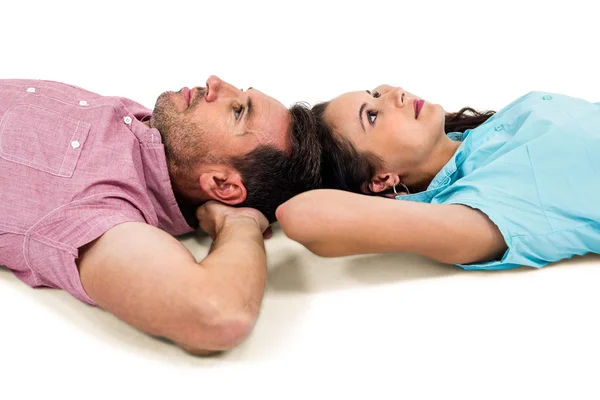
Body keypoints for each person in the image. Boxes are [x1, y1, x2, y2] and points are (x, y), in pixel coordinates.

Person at [0, 76, 321, 354]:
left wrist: (240, 224)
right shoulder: (153, 126)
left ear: (222, 185)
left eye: (237, 111)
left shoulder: (104, 208)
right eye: (239, 91)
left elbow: (218, 315)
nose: (214, 82)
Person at [277, 85, 600, 270]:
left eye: (374, 92)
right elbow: (303, 216)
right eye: (372, 116)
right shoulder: (476, 205)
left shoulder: (479, 136)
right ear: (380, 180)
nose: (393, 95)